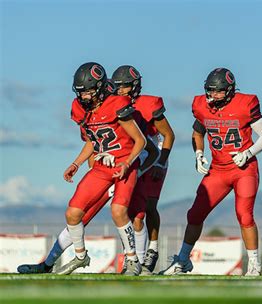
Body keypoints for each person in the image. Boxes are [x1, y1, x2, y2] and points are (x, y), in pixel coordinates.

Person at [17, 78, 158, 275]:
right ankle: (77, 258)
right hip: (101, 168)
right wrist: (77, 163)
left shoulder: (120, 106)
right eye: (81, 92)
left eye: (88, 91)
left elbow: (144, 143)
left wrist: (129, 164)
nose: (84, 96)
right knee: (73, 214)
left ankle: (134, 260)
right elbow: (94, 140)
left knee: (125, 213)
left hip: (126, 167)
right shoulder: (83, 109)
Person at [160, 68, 262, 276]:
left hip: (243, 169)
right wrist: (199, 153)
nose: (214, 95)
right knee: (195, 214)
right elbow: (197, 131)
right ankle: (183, 260)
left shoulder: (244, 104)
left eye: (219, 91)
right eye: (210, 91)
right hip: (218, 170)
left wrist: (248, 153)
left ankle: (254, 264)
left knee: (244, 215)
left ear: (230, 90)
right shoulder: (202, 106)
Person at [112, 65, 175, 275]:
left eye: (124, 87)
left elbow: (169, 135)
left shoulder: (148, 104)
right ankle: (133, 257)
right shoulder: (114, 104)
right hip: (134, 153)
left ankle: (152, 249)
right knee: (130, 210)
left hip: (154, 152)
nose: (120, 91)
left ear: (135, 86)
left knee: (148, 206)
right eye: (117, 87)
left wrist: (160, 162)